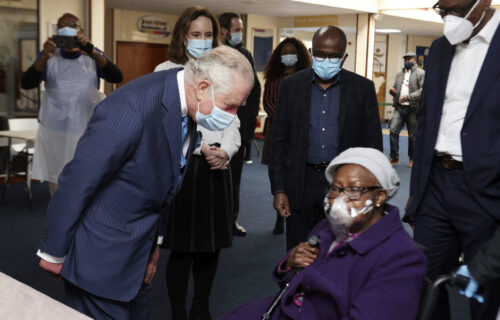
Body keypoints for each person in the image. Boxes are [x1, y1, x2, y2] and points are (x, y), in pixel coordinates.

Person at [36, 46, 254, 320]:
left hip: (139, 254)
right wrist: (54, 252)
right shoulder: (131, 107)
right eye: (230, 105)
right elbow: (79, 179)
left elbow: (166, 182)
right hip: (102, 257)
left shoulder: (188, 101)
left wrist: (154, 247)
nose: (232, 115)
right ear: (202, 86)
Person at [221, 148, 427, 320]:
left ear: (379, 197)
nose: (339, 199)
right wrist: (290, 262)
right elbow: (287, 277)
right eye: (336, 189)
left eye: (353, 190)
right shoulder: (327, 227)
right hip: (281, 310)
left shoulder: (401, 258)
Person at [404, 1, 500, 319]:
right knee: (422, 280)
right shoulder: (441, 48)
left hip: (487, 191)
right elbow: (428, 120)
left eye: (455, 8)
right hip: (436, 185)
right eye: (442, 10)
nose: (448, 17)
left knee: (486, 292)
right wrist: (417, 192)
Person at [154, 7, 241, 320]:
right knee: (182, 249)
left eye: (208, 35)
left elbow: (232, 122)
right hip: (183, 168)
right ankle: (178, 312)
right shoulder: (165, 71)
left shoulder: (226, 71)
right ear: (183, 36)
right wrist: (201, 148)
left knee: (210, 247)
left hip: (217, 168)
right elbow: (162, 125)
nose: (203, 41)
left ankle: (201, 308)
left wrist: (226, 152)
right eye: (196, 35)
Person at [268, 25, 383, 250]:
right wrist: (279, 189)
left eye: (333, 56)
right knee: (299, 251)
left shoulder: (362, 89)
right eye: (320, 54)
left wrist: (367, 192)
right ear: (311, 53)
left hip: (345, 185)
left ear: (344, 57)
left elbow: (373, 146)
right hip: (301, 181)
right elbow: (278, 142)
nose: (326, 60)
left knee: (341, 252)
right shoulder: (291, 86)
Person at [20, 13, 123, 196]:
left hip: (87, 131)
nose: (67, 28)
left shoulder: (93, 54)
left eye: (73, 25)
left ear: (81, 31)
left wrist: (93, 52)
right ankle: (61, 222)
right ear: (57, 31)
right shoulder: (49, 56)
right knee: (59, 185)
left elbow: (117, 77)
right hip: (56, 132)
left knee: (87, 183)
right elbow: (27, 83)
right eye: (62, 25)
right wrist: (43, 57)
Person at [261, 37, 311, 235]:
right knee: (278, 178)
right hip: (277, 135)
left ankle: (295, 214)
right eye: (284, 52)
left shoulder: (306, 77)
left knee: (297, 178)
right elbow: (268, 104)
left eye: (292, 51)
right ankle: (279, 216)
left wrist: (296, 121)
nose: (288, 55)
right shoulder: (273, 79)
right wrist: (287, 120)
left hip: (300, 136)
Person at [219, 12, 262, 236]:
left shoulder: (244, 54)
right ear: (224, 31)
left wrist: (247, 129)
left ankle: (230, 221)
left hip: (236, 128)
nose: (239, 34)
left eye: (240, 30)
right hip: (211, 130)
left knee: (233, 180)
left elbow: (254, 91)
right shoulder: (212, 54)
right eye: (236, 29)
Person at [388, 52, 425, 168]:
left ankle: (412, 159)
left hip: (413, 108)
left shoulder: (421, 73)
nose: (407, 61)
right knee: (393, 131)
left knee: (412, 136)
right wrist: (393, 91)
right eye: (405, 59)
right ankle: (394, 157)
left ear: (415, 60)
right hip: (399, 107)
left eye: (409, 59)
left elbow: (423, 90)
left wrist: (408, 97)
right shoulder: (399, 74)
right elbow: (396, 87)